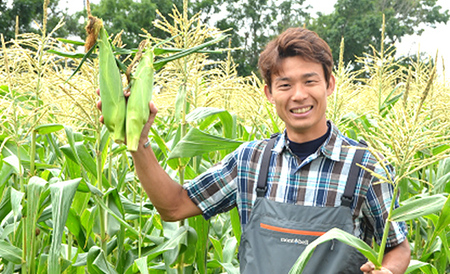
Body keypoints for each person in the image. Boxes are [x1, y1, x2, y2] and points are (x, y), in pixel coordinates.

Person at [98, 27, 410, 273]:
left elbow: (397, 246)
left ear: (329, 85)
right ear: (269, 93)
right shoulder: (250, 161)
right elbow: (174, 206)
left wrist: (390, 271)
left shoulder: (367, 167)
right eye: (285, 85)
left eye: (310, 81)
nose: (299, 95)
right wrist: (137, 141)